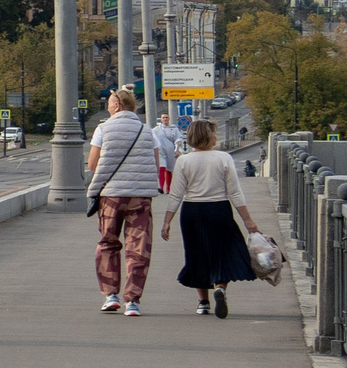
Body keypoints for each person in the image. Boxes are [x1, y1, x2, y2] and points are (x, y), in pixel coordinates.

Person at [160, 118, 259, 317]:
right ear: (208, 136)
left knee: (197, 254)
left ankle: (203, 301)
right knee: (224, 252)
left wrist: (167, 221)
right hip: (219, 210)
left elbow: (176, 193)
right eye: (214, 132)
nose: (216, 136)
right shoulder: (223, 158)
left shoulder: (183, 161)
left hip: (192, 212)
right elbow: (235, 192)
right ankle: (220, 288)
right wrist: (248, 220)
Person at [86, 89, 160, 317]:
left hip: (111, 196)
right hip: (140, 197)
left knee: (108, 243)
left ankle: (110, 296)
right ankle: (133, 302)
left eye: (109, 103)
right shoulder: (147, 130)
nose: (107, 106)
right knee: (139, 249)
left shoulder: (103, 128)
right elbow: (156, 163)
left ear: (117, 105)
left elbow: (92, 164)